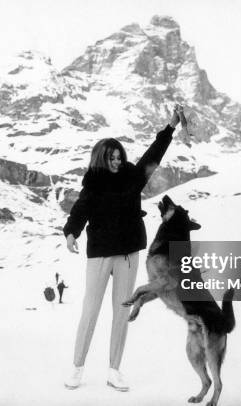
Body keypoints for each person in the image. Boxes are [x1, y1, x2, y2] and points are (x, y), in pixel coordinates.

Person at [63, 105, 182, 391]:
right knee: (90, 309)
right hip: (101, 251)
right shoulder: (93, 183)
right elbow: (81, 209)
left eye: (119, 157)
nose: (117, 161)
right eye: (111, 158)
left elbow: (153, 157)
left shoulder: (132, 176)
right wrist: (70, 233)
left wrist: (170, 127)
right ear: (102, 160)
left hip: (128, 251)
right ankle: (77, 367)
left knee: (121, 311)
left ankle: (114, 370)